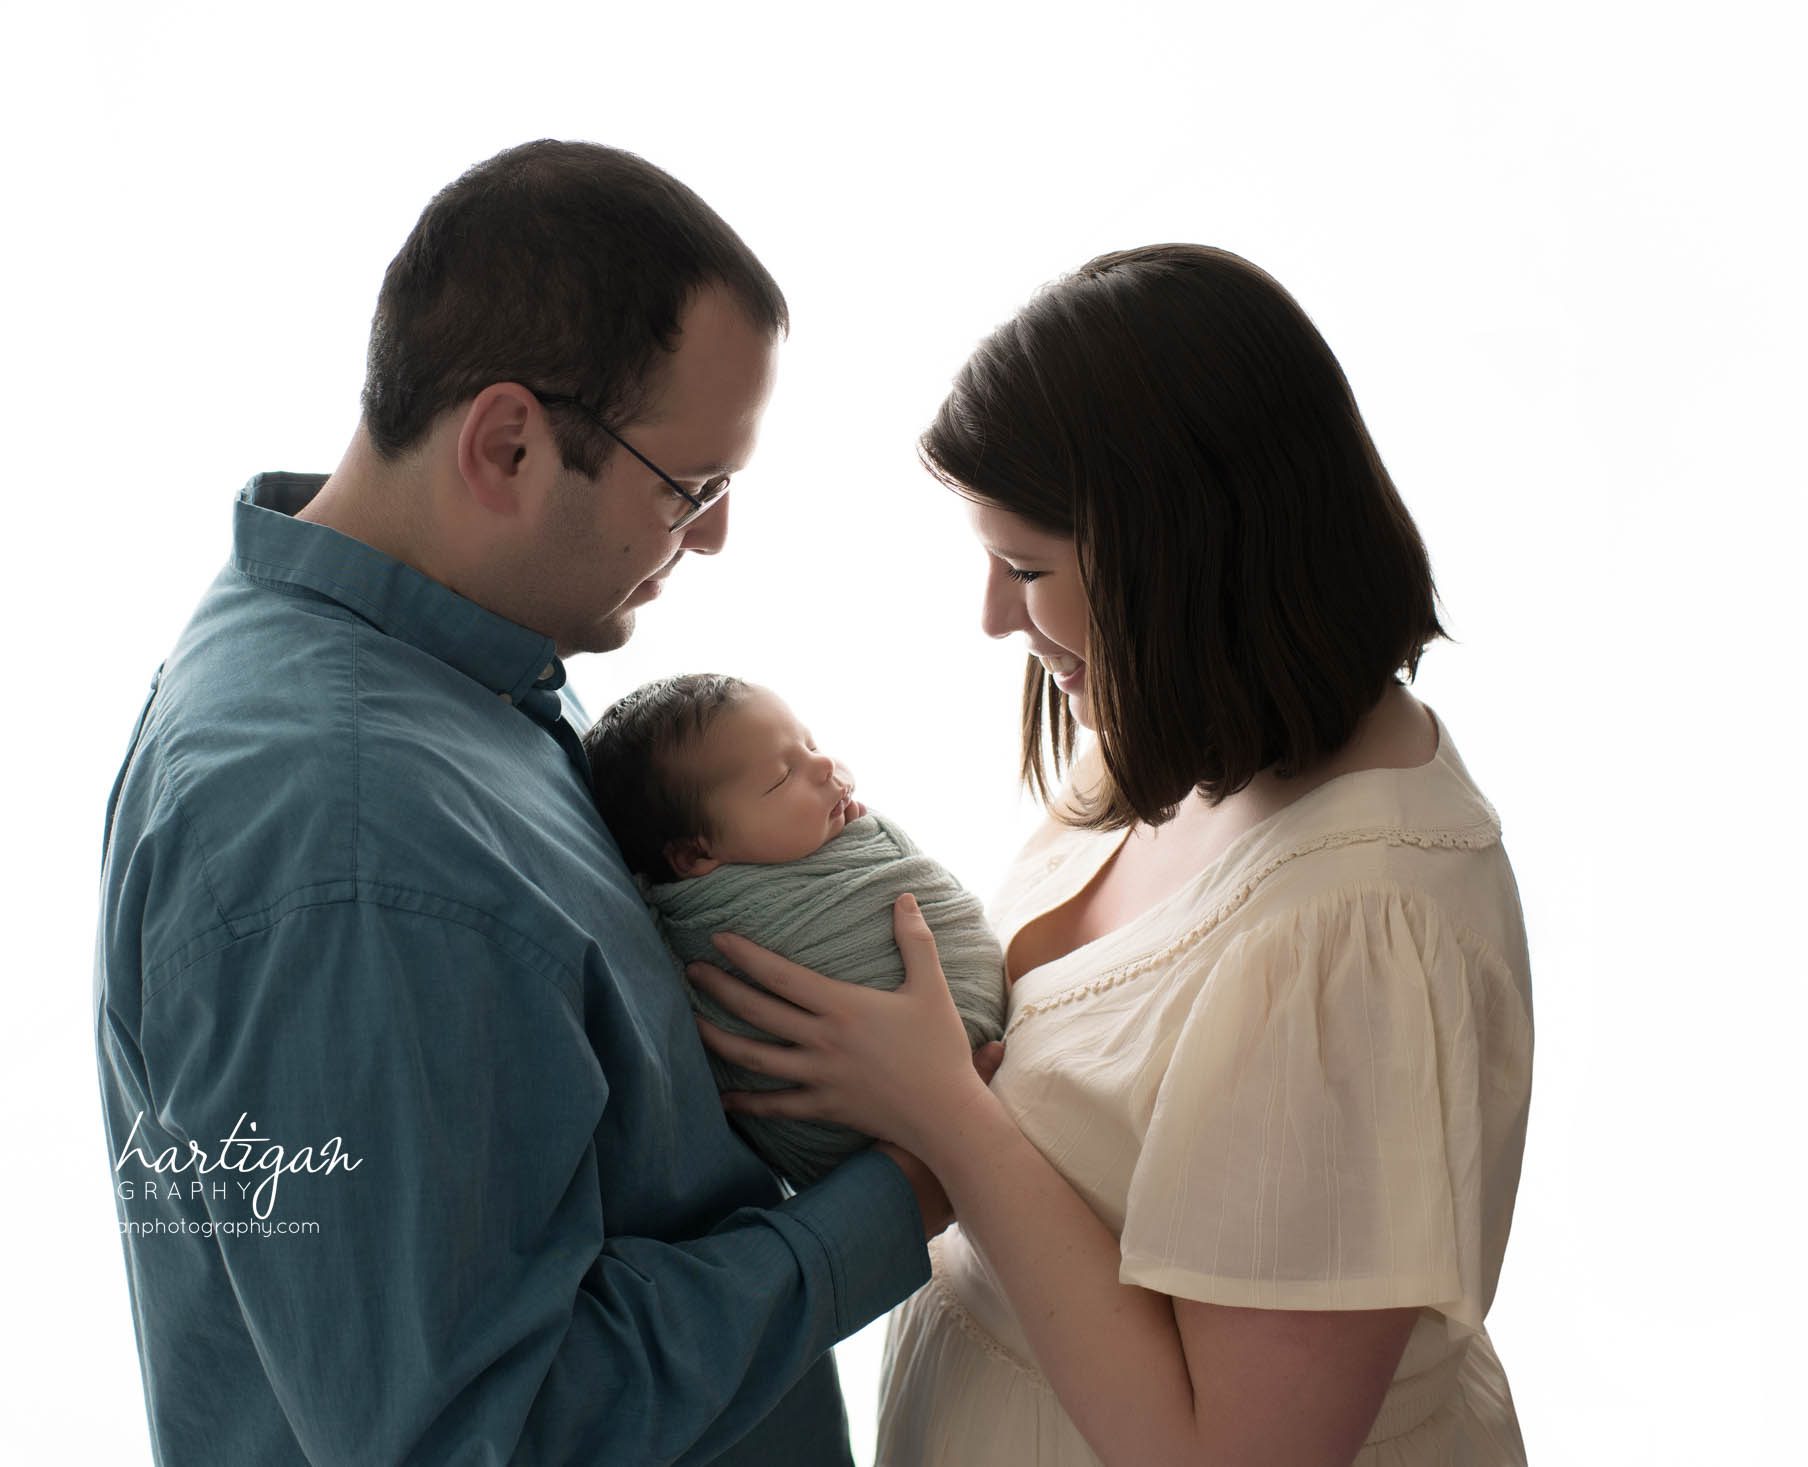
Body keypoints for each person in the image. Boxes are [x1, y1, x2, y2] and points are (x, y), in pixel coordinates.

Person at [94, 140, 953, 1467]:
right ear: (507, 441)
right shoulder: (349, 834)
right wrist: (896, 1196)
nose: (712, 536)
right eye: (691, 488)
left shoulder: (426, 663)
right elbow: (482, 1430)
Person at [690, 245, 1535, 1465]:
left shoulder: (1354, 928)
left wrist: (941, 1111)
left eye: (1026, 568)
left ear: (1185, 552)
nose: (991, 616)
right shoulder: (1171, 740)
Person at [582, 674, 1008, 1188]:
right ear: (696, 854)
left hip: (936, 1091)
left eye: (810, 745)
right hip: (861, 1142)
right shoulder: (703, 926)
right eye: (783, 778)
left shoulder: (834, 842)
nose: (826, 765)